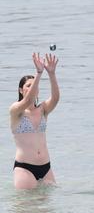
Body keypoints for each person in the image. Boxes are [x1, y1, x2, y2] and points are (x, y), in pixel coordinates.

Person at [9, 53, 60, 189]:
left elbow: (55, 98)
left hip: (46, 167)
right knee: (26, 208)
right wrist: (38, 73)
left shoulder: (43, 109)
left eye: (35, 86)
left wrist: (51, 74)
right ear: (21, 90)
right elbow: (28, 100)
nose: (33, 88)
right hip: (25, 168)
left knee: (48, 209)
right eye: (28, 86)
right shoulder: (16, 110)